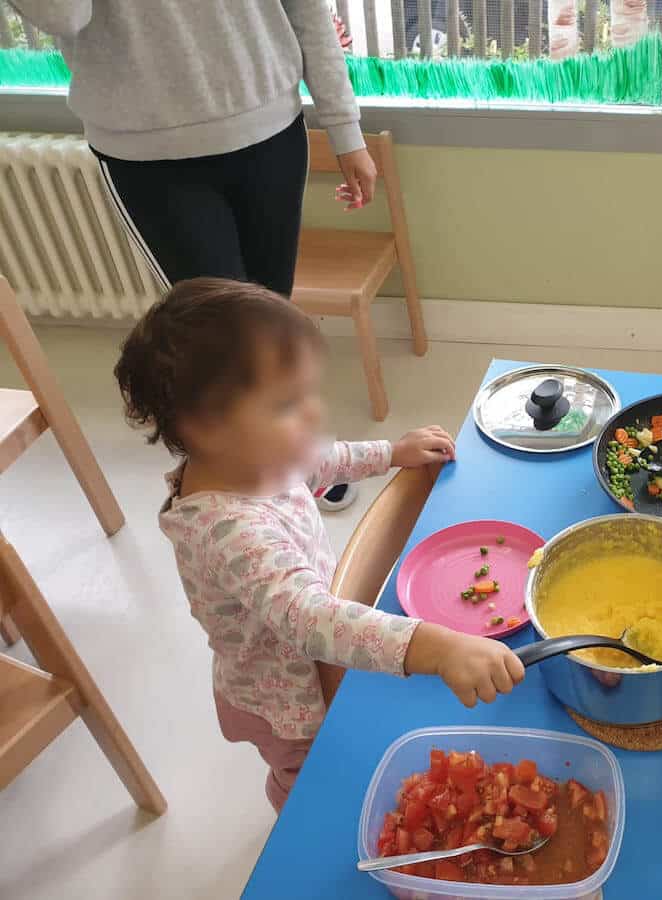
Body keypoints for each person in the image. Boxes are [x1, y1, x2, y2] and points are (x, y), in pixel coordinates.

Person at [114, 278, 525, 813]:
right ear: (207, 428)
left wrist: (390, 453)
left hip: (318, 661)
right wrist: (438, 647)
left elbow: (316, 460)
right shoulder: (228, 531)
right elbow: (312, 621)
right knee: (308, 779)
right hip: (286, 701)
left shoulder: (257, 456)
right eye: (287, 404)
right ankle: (292, 810)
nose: (312, 413)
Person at [19, 0, 375, 508]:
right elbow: (62, 16)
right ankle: (250, 482)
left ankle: (294, 453)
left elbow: (308, 9)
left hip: (269, 127)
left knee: (271, 319)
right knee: (221, 339)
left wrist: (345, 128)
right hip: (148, 153)